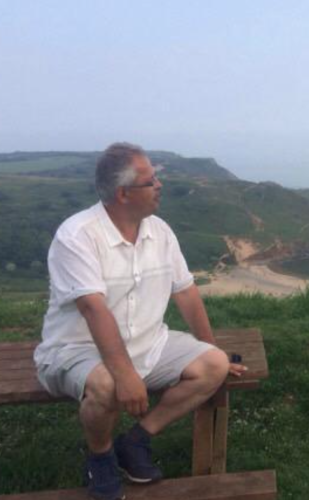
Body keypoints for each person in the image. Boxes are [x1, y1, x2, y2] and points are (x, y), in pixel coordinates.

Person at [34, 142, 246, 500]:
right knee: (110, 387)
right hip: (76, 351)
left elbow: (186, 293)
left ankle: (136, 440)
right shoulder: (77, 235)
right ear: (123, 193)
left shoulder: (159, 231)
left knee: (214, 365)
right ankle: (100, 458)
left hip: (148, 344)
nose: (159, 185)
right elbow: (93, 310)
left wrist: (213, 350)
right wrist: (125, 374)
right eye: (151, 181)